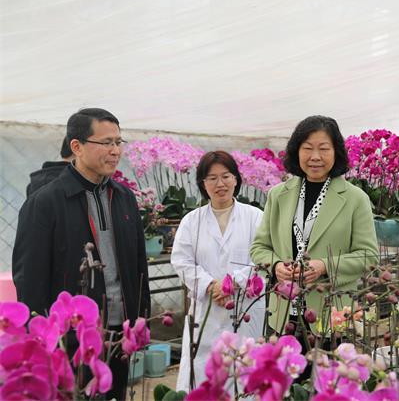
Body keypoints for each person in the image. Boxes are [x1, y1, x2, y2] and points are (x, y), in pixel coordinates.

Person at [12, 108, 150, 400]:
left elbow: (139, 266)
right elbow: (30, 278)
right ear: (76, 146)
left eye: (118, 142)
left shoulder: (124, 198)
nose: (115, 151)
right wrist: (42, 338)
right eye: (106, 143)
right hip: (70, 339)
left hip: (119, 333)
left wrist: (140, 322)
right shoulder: (45, 203)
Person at [250, 115, 379, 336]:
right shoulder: (278, 195)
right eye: (308, 148)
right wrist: (276, 266)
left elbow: (369, 256)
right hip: (283, 315)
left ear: (336, 152)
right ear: (297, 151)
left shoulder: (355, 199)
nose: (315, 157)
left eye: (324, 149)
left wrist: (325, 266)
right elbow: (259, 248)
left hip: (332, 315)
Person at [171, 151, 265, 392]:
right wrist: (211, 285)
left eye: (226, 176)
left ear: (236, 179)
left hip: (244, 309)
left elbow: (263, 258)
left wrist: (232, 284)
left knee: (243, 376)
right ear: (203, 184)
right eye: (212, 178)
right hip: (206, 311)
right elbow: (181, 260)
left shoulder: (256, 217)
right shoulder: (191, 221)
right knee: (202, 376)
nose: (220, 184)